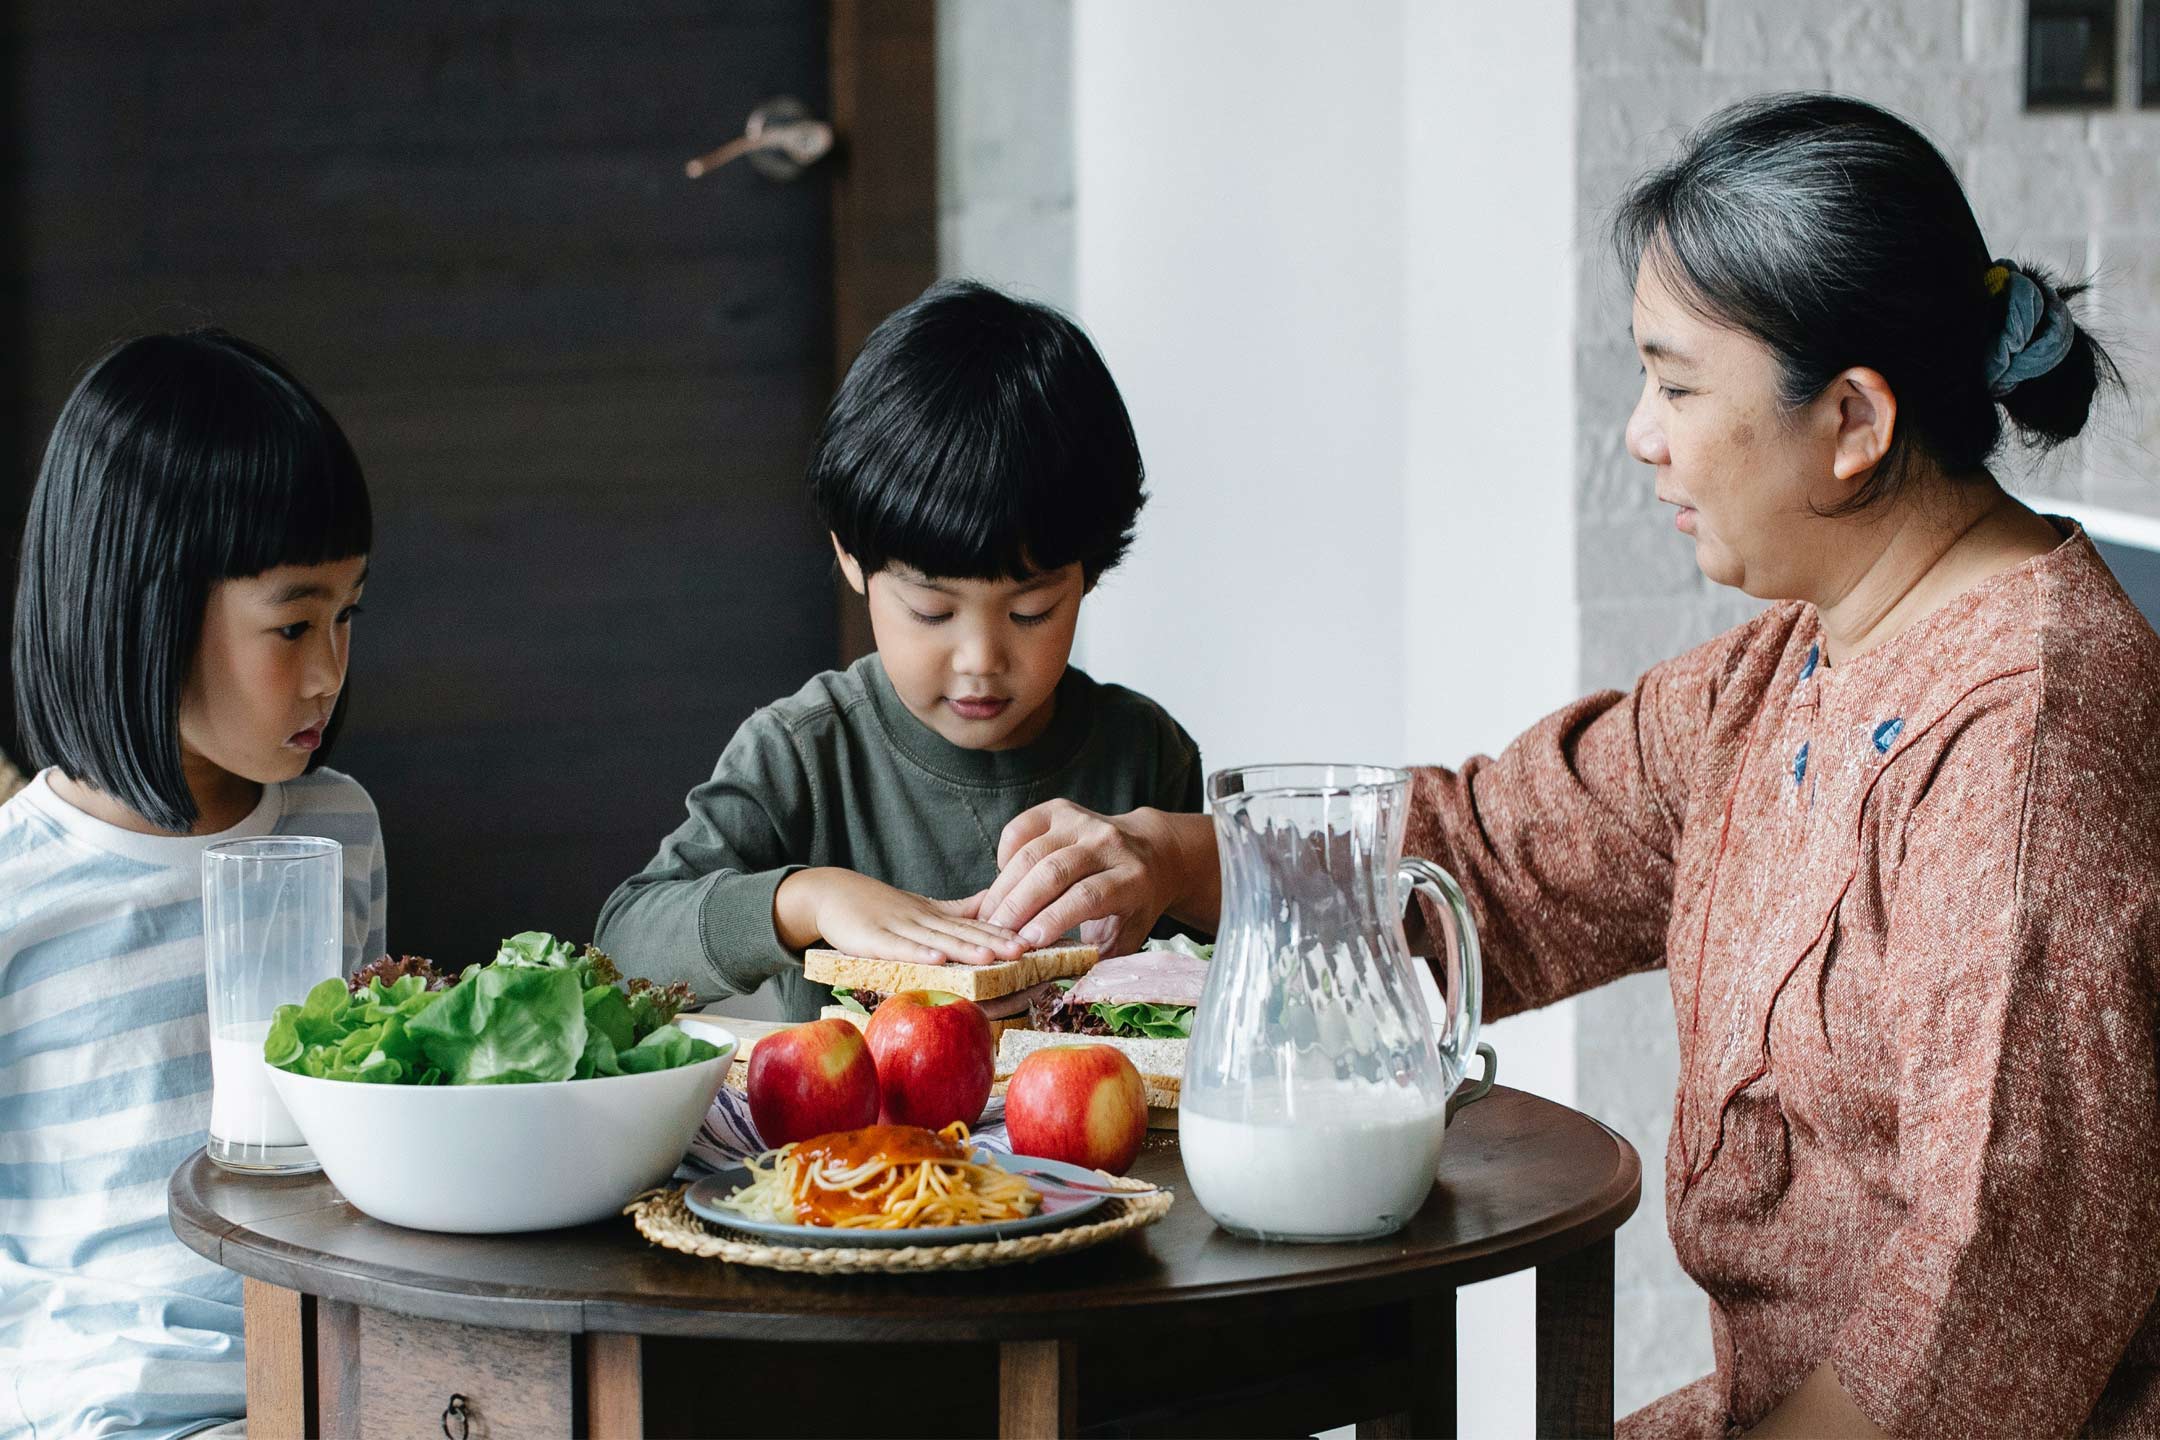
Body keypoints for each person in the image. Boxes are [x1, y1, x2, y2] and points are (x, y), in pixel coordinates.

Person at [973, 95, 2160, 1436]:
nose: (1643, 434)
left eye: (1678, 383)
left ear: (1852, 421)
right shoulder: (1786, 671)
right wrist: (1181, 860)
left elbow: (1995, 1296)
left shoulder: (2030, 741)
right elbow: (1499, 853)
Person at [597, 280, 1206, 1019]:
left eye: (1032, 610)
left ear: (1092, 574)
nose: (980, 657)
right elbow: (623, 945)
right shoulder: (805, 754)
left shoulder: (1143, 753)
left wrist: (1177, 863)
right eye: (931, 610)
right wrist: (807, 899)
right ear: (852, 559)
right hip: (858, 1136)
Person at [1, 331, 386, 1439]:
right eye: (292, 623)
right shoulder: (23, 890)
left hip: (326, 1378)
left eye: (347, 617)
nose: (327, 671)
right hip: (105, 1409)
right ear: (147, 607)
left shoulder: (339, 832)